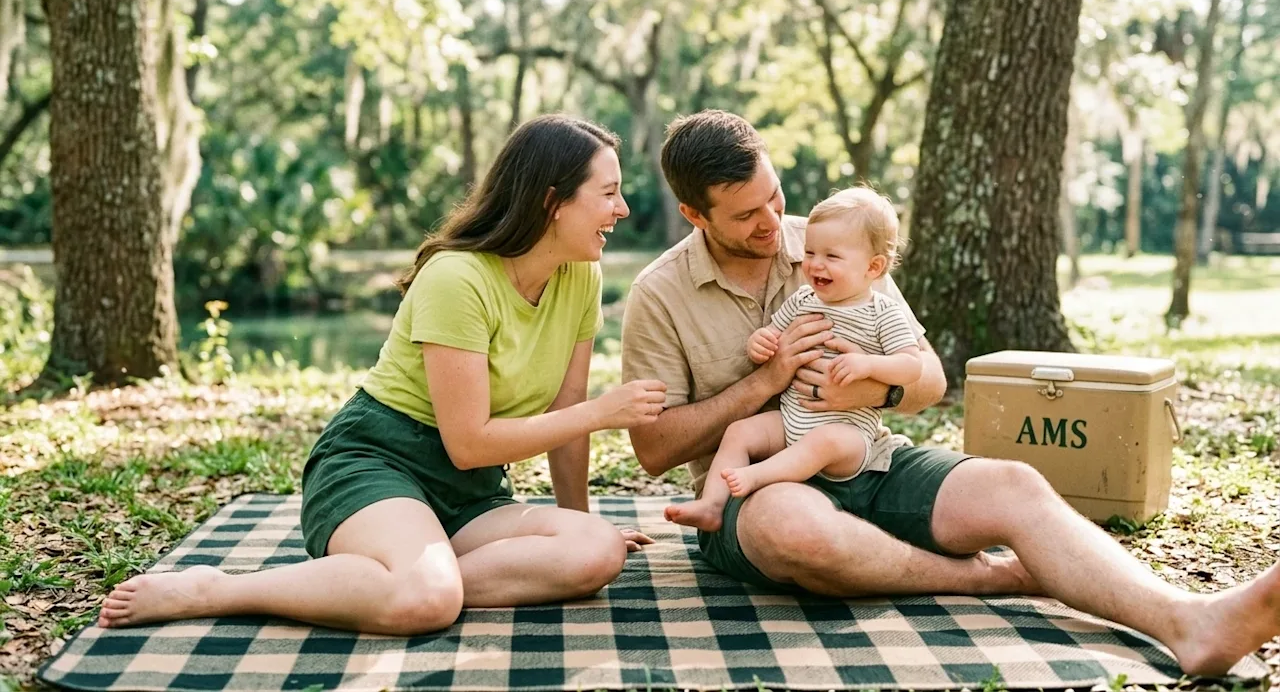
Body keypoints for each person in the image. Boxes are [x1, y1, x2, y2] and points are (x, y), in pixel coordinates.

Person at [621, 108, 1280, 676]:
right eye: (747, 214)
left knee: (1014, 484)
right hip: (759, 486)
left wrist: (873, 390)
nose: (774, 222)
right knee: (802, 528)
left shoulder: (832, 239)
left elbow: (930, 380)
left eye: (774, 196)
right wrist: (764, 382)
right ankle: (985, 578)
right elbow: (653, 450)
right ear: (692, 214)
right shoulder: (660, 293)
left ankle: (1192, 623)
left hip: (868, 454)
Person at [98, 115, 666, 636]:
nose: (623, 211)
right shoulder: (457, 278)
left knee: (596, 552)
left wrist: (577, 522)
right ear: (552, 202)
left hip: (469, 494)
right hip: (377, 460)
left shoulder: (579, 277)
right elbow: (469, 442)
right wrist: (603, 411)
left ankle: (398, 572)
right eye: (609, 194)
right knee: (428, 600)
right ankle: (222, 589)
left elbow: (562, 420)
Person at [664, 187, 922, 532]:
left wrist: (869, 366)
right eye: (811, 252)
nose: (815, 264)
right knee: (740, 432)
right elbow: (773, 332)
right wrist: (762, 342)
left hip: (847, 434)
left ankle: (756, 476)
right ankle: (712, 505)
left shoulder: (882, 312)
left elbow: (912, 365)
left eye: (832, 256)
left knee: (823, 442)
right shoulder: (804, 299)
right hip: (792, 421)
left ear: (873, 267)